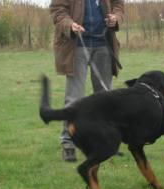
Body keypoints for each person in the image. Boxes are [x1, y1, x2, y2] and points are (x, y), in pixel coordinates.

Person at [50, 0, 124, 162]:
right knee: (74, 98)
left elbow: (119, 5)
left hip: (104, 44)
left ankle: (104, 143)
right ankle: (68, 143)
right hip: (75, 46)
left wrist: (115, 18)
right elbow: (57, 10)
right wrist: (70, 24)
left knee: (105, 98)